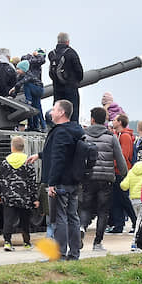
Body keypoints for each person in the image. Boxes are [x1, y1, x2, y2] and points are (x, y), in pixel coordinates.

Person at [29, 99, 85, 260]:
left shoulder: (60, 131)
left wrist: (52, 183)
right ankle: (74, 253)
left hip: (61, 181)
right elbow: (63, 152)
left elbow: (58, 158)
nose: (51, 112)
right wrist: (39, 155)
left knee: (59, 217)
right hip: (73, 180)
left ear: (61, 113)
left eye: (54, 109)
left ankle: (59, 253)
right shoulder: (75, 130)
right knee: (73, 216)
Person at [0, 136, 39, 251]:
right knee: (25, 220)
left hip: (9, 197)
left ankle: (7, 242)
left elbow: (0, 179)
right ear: (23, 147)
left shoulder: (5, 162)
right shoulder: (28, 161)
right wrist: (35, 198)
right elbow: (32, 182)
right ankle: (26, 242)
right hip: (24, 198)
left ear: (12, 147)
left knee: (8, 220)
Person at [107, 114, 137, 233]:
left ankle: (135, 221)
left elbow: (123, 156)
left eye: (114, 120)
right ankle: (119, 225)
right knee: (117, 198)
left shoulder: (124, 137)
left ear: (120, 122)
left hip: (121, 172)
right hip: (118, 171)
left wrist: (112, 163)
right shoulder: (120, 135)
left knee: (123, 198)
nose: (112, 122)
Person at [48, 33, 84, 122]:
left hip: (57, 88)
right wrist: (76, 81)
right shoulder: (71, 53)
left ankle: (58, 126)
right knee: (72, 112)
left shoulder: (52, 54)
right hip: (70, 87)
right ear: (67, 41)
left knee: (58, 110)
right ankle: (73, 130)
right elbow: (79, 71)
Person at [121, 149, 142, 251]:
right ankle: (136, 242)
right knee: (141, 222)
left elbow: (124, 186)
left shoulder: (132, 171)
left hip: (133, 200)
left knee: (139, 219)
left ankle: (140, 242)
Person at [10, 60, 44, 131]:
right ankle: (33, 126)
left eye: (18, 69)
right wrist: (13, 95)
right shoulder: (21, 76)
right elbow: (18, 86)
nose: (17, 71)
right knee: (35, 108)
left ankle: (28, 100)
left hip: (38, 90)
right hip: (33, 92)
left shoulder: (29, 75)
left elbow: (20, 83)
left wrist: (14, 88)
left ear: (23, 69)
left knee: (26, 85)